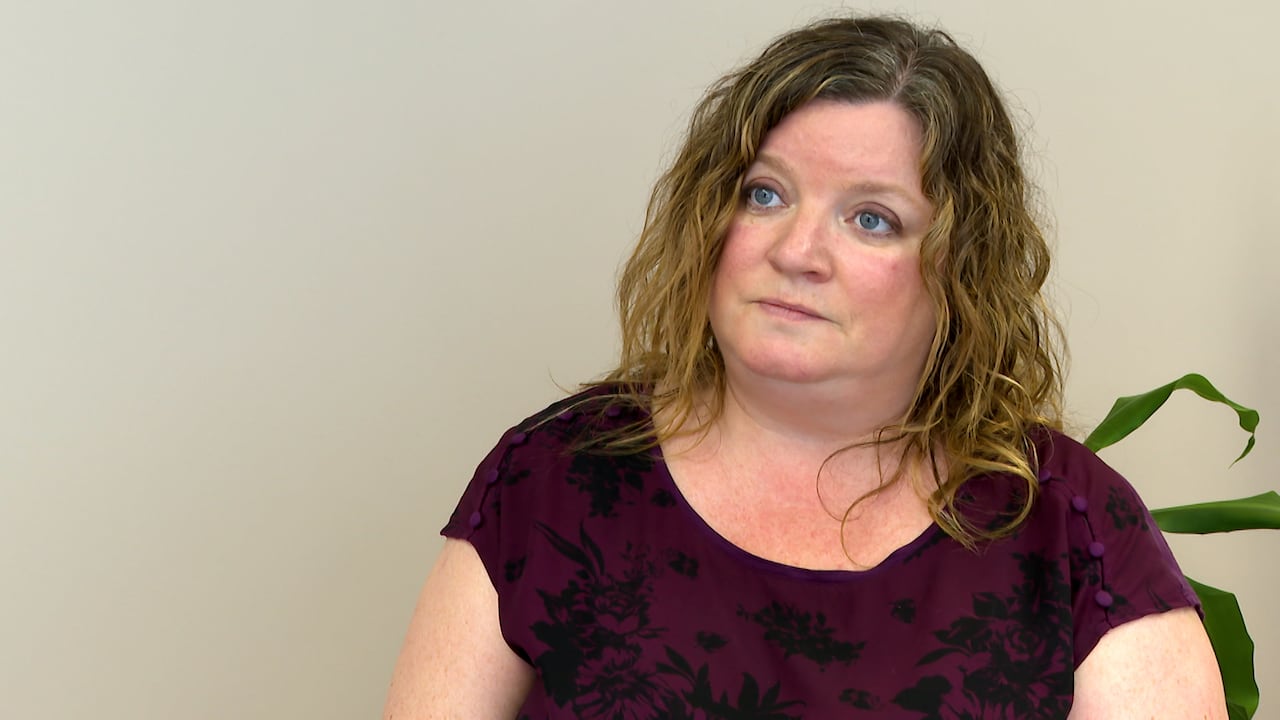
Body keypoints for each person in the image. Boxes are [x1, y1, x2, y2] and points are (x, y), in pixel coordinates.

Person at [384, 15, 1226, 719]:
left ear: (959, 270)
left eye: (871, 218)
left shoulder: (1071, 531)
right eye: (765, 193)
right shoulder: (549, 484)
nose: (797, 251)